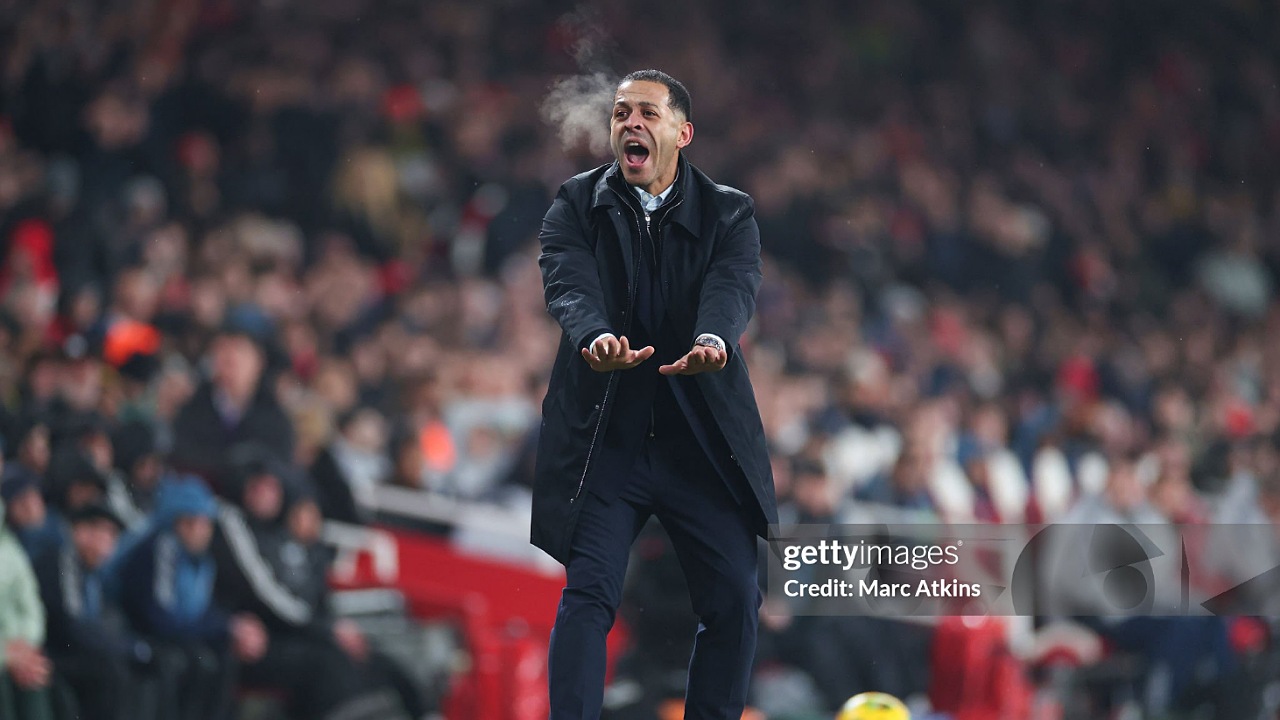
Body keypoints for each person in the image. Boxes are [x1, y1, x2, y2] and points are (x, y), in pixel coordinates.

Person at [533, 69, 776, 719]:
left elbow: (732, 287)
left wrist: (715, 340)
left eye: (647, 112)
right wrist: (594, 338)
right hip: (611, 438)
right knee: (588, 595)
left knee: (733, 598)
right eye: (619, 113)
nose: (629, 123)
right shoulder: (575, 204)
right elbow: (569, 284)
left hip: (698, 441)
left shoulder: (730, 212)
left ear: (682, 133)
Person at [118, 477, 242, 720]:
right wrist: (220, 629)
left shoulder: (201, 560)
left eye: (205, 524)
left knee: (224, 655)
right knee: (196, 662)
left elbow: (201, 610)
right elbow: (161, 617)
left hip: (176, 633)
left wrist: (227, 628)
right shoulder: (160, 547)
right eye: (192, 523)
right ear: (175, 522)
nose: (201, 531)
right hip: (137, 631)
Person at [34, 503, 152, 720]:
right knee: (110, 669)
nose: (107, 542)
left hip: (78, 652)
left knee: (146, 665)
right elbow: (72, 624)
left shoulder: (92, 572)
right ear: (79, 531)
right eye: (102, 532)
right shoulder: (61, 561)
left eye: (112, 535)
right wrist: (122, 647)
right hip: (51, 653)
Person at [0, 488, 54, 720]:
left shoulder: (10, 547)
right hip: (5, 657)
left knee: (36, 675)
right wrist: (6, 655)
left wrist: (23, 647)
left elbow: (32, 607)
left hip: (16, 652)